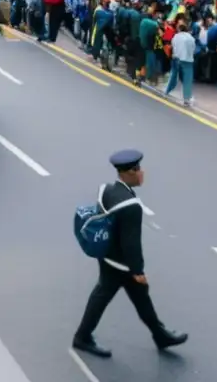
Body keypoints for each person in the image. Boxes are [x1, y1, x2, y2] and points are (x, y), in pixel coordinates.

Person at [73, 150, 187, 359]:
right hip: (121, 264)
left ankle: (160, 334)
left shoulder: (107, 190)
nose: (142, 173)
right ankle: (82, 337)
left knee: (137, 296)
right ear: (130, 173)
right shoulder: (131, 206)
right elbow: (131, 242)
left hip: (107, 254)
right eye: (138, 169)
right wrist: (138, 270)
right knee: (108, 294)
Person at [164, 21, 196, 106]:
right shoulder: (191, 38)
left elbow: (173, 47)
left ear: (179, 29)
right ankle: (186, 99)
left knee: (173, 75)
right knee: (187, 80)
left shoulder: (175, 36)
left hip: (176, 58)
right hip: (187, 61)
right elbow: (193, 49)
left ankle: (166, 91)